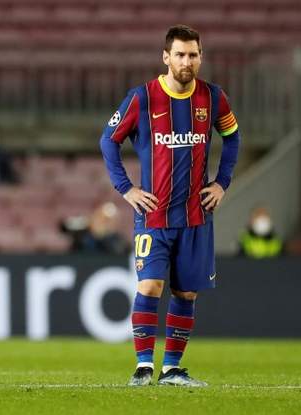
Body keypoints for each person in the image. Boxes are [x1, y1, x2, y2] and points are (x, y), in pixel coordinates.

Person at [100, 25, 240, 387]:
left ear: (200, 57)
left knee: (185, 292)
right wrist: (126, 188)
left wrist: (222, 183)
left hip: (196, 215)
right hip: (154, 215)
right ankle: (144, 366)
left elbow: (232, 137)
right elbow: (108, 140)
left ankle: (172, 369)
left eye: (193, 55)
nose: (186, 61)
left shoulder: (213, 97)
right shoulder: (142, 98)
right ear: (166, 57)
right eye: (179, 54)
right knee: (149, 286)